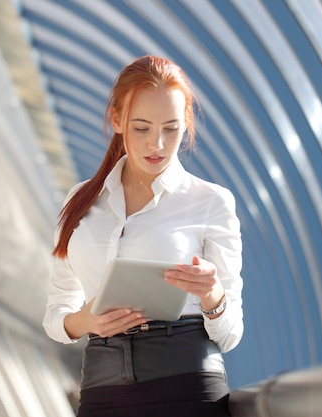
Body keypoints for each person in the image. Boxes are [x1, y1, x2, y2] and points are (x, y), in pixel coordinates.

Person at [43, 55, 244, 417]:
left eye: (171, 128)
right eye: (141, 128)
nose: (158, 144)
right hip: (102, 389)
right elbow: (57, 313)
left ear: (186, 124)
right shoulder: (80, 201)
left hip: (186, 381)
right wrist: (86, 321)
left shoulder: (211, 202)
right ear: (117, 120)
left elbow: (230, 335)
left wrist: (212, 295)